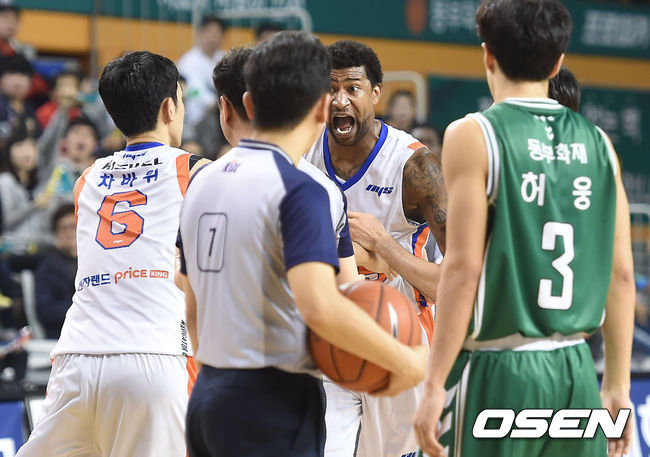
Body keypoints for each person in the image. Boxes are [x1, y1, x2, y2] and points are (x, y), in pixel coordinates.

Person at [178, 31, 426, 457]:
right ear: (321, 108)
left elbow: (191, 300)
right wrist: (404, 361)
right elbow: (324, 306)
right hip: (275, 399)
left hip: (208, 394)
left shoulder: (200, 179)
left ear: (246, 103)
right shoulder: (306, 189)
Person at [413, 1, 634, 457]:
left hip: (499, 369)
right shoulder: (600, 144)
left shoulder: (473, 134)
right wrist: (617, 385)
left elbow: (463, 267)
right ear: (557, 63)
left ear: (488, 55)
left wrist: (434, 383)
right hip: (575, 367)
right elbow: (622, 275)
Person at [16, 50, 209, 457]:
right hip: (154, 354)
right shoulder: (197, 172)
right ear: (170, 108)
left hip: (76, 357)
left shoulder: (86, 180)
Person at [303, 39, 447, 457]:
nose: (340, 100)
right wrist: (366, 257)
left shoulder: (416, 167)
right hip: (331, 327)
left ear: (376, 93)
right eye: (331, 89)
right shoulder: (303, 153)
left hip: (399, 330)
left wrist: (387, 249)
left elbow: (454, 283)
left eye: (352, 88)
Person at [211, 46, 358, 284]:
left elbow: (186, 286)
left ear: (225, 108)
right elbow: (346, 289)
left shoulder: (199, 181)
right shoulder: (320, 190)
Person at [34, 203, 76, 339]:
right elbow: (45, 311)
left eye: (74, 227)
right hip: (63, 335)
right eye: (64, 228)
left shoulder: (94, 261)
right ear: (56, 233)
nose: (70, 233)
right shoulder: (47, 267)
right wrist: (81, 307)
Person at [177, 14, 227, 127]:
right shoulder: (189, 61)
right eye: (208, 32)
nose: (212, 38)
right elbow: (194, 91)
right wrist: (216, 102)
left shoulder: (225, 58)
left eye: (217, 33)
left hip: (221, 114)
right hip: (196, 119)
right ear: (199, 34)